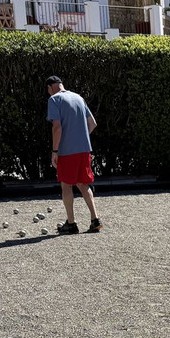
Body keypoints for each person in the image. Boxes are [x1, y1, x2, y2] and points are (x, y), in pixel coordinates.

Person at [45, 76, 102, 234]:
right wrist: (80, 138)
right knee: (83, 184)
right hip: (84, 149)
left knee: (66, 185)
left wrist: (55, 151)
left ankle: (71, 223)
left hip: (67, 151)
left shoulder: (54, 100)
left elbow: (57, 127)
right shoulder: (78, 97)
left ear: (50, 87)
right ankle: (95, 219)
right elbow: (93, 124)